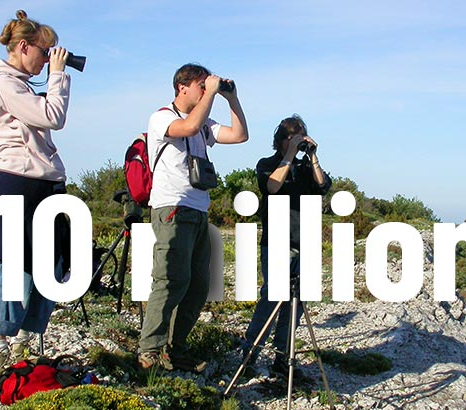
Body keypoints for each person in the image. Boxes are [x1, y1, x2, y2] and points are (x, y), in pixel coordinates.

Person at [0, 10, 72, 379]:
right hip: (16, 181)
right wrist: (59, 75)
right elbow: (53, 116)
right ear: (24, 46)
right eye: (44, 52)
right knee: (17, 268)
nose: (47, 59)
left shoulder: (22, 84)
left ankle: (21, 345)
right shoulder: (3, 81)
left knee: (50, 267)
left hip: (42, 183)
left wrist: (54, 77)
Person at [138, 63, 249, 373]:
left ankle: (175, 348)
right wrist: (211, 95)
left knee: (199, 285)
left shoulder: (203, 123)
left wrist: (232, 99)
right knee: (171, 280)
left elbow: (240, 135)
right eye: (201, 85)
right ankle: (150, 350)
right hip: (171, 208)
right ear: (181, 87)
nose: (205, 89)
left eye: (206, 85)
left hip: (198, 210)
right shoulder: (162, 117)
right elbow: (186, 128)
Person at [242, 114, 332, 378]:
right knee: (271, 300)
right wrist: (289, 156)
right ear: (281, 140)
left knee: (296, 304)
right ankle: (249, 355)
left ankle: (282, 358)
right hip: (277, 243)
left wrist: (313, 156)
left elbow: (323, 186)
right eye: (292, 138)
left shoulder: (306, 168)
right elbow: (271, 187)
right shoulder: (267, 164)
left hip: (305, 244)